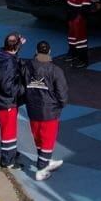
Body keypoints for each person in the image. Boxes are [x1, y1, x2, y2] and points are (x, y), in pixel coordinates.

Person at [22, 40, 68, 181]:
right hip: (50, 111)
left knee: (38, 137)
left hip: (32, 109)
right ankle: (41, 169)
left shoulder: (26, 67)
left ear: (36, 51)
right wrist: (61, 104)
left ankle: (45, 160)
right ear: (49, 52)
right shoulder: (55, 70)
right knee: (48, 139)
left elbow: (22, 86)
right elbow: (62, 92)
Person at [0, 32, 26, 170]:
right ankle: (8, 161)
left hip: (2, 100)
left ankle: (10, 153)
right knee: (9, 132)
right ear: (15, 47)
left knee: (9, 129)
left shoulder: (1, 54)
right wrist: (24, 89)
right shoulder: (9, 64)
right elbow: (7, 87)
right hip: (7, 102)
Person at [65, 0, 96, 68]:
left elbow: (86, 6)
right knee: (72, 36)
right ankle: (73, 53)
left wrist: (80, 17)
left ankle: (83, 59)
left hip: (79, 17)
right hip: (71, 15)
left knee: (81, 39)